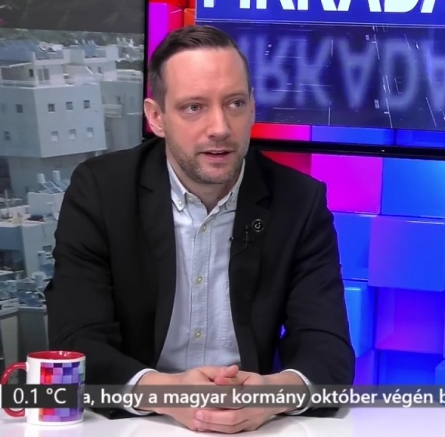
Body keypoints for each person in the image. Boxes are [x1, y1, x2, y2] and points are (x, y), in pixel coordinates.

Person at [44, 25, 355, 433]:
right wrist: (165, 393)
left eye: (235, 103)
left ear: (253, 108)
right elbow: (76, 340)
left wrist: (270, 396)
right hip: (134, 423)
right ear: (156, 117)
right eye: (194, 107)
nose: (220, 128)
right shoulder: (102, 191)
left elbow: (329, 351)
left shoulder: (299, 201)